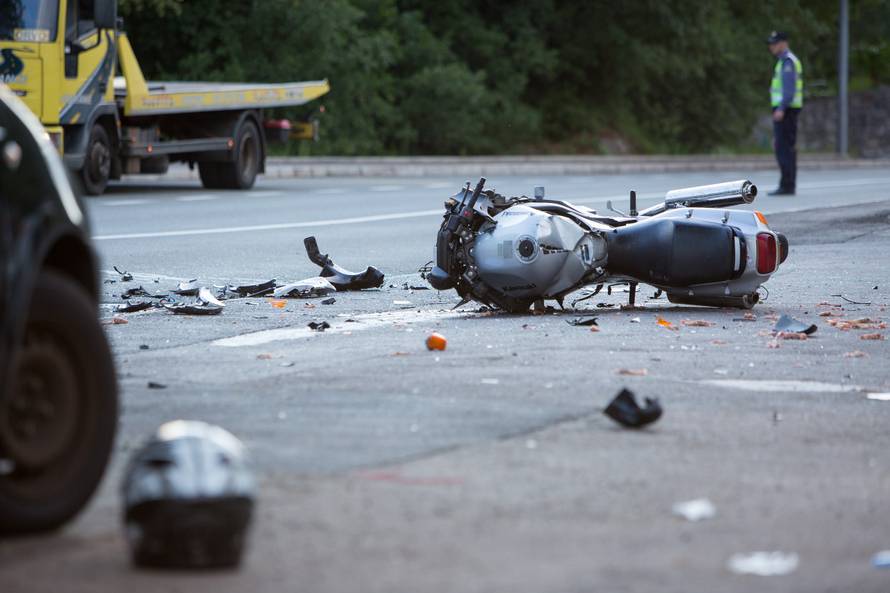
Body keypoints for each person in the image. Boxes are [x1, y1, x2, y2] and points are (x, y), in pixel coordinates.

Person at [766, 31, 803, 196]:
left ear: (783, 43)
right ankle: (787, 184)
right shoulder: (784, 62)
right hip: (787, 109)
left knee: (784, 148)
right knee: (785, 147)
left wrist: (781, 108)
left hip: (786, 110)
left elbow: (789, 90)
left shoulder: (788, 62)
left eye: (774, 43)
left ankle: (787, 185)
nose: (771, 46)